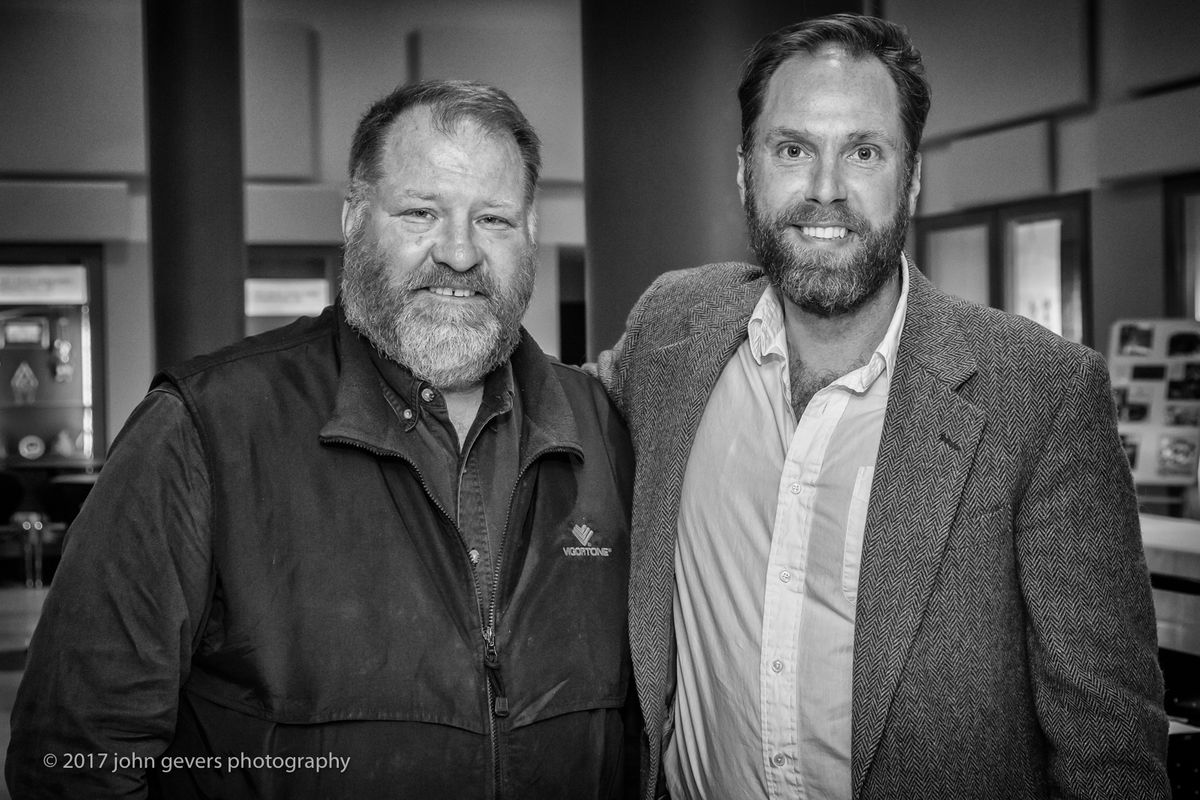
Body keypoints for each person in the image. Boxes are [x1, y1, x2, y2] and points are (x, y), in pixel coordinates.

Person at [7, 79, 635, 799]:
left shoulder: (603, 427)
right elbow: (74, 757)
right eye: (421, 212)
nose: (459, 253)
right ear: (353, 220)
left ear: (529, 233)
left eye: (492, 219)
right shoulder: (204, 429)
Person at [597, 14, 1169, 800]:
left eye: (863, 152)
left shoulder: (1041, 395)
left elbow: (1109, 748)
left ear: (912, 178)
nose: (826, 188)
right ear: (744, 172)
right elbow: (551, 417)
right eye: (792, 149)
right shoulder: (672, 331)